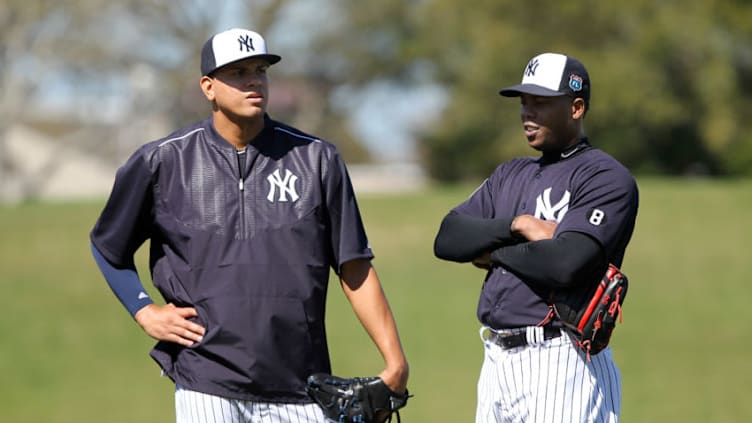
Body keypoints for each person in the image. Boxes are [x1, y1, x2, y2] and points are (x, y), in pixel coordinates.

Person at [90, 28, 409, 423]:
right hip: (206, 378)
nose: (254, 80)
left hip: (302, 383)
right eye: (238, 72)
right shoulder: (163, 161)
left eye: (260, 69)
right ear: (208, 87)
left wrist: (395, 361)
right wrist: (144, 311)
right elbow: (108, 246)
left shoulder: (316, 159)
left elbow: (354, 264)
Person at [433, 53, 638, 422]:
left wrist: (493, 254)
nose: (528, 112)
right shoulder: (510, 173)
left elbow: (566, 263)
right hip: (496, 361)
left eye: (541, 103)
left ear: (576, 108)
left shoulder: (605, 177)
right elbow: (448, 238)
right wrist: (518, 225)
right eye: (524, 102)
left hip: (562, 360)